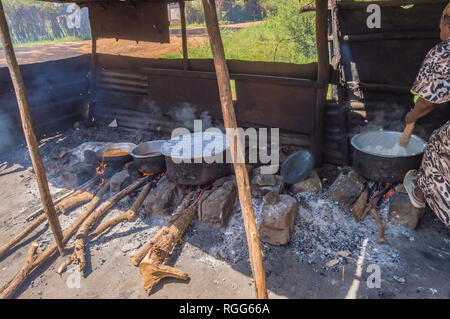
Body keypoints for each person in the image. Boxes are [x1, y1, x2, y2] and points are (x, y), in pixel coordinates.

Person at [403, 3, 450, 229]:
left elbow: (427, 102)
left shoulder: (444, 51)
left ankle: (420, 191)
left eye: (440, 24)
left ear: (447, 23)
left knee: (435, 146)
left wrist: (412, 115)